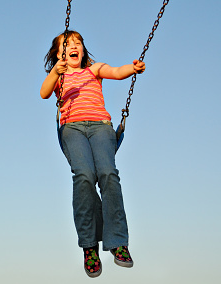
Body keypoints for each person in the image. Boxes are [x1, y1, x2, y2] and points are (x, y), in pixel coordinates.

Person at [40, 30, 145, 278]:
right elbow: (44, 93)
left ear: (83, 51)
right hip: (72, 128)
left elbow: (117, 72)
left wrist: (132, 68)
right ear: (59, 54)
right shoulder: (59, 76)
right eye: (67, 45)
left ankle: (118, 242)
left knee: (108, 173)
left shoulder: (94, 70)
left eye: (78, 43)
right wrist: (57, 70)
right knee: (85, 176)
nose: (74, 46)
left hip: (100, 127)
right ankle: (89, 246)